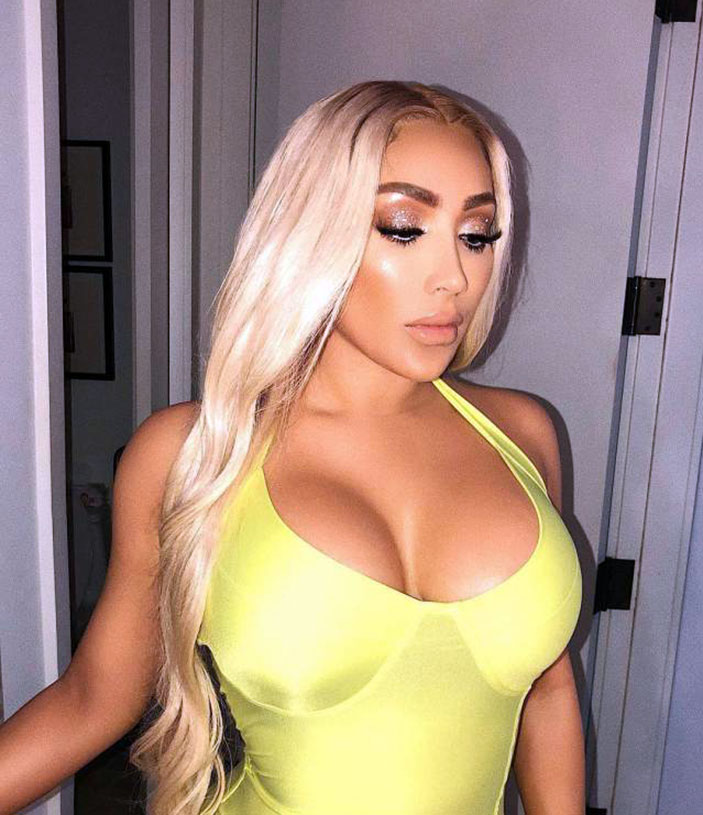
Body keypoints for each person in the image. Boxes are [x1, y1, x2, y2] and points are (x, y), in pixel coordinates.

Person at [0, 80, 584, 815]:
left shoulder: (525, 435)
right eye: (404, 228)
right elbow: (94, 697)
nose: (455, 278)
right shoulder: (194, 454)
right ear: (311, 234)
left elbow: (548, 689)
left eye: (476, 234)